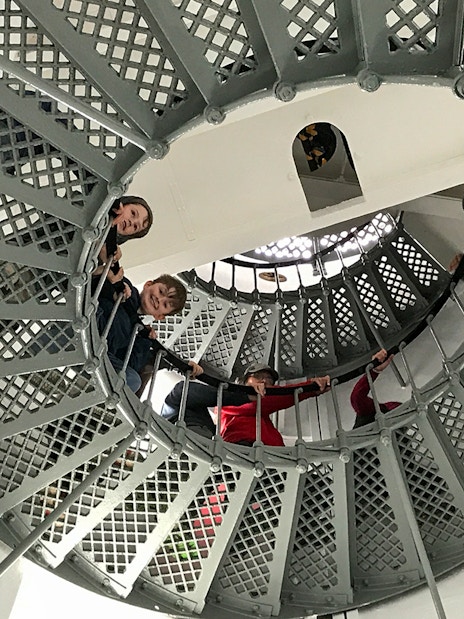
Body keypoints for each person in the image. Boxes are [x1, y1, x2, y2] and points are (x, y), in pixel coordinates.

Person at [162, 362, 331, 446]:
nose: (265, 381)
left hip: (275, 458)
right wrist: (310, 389)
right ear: (243, 382)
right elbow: (256, 403)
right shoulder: (228, 403)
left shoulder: (263, 416)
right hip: (243, 449)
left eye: (269, 380)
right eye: (258, 377)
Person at [97, 272, 201, 392]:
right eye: (161, 291)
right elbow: (98, 284)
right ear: (148, 284)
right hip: (94, 322)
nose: (159, 299)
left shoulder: (139, 332)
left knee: (133, 380)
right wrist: (115, 291)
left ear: (159, 316)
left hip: (103, 350)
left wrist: (144, 341)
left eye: (165, 304)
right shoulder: (128, 290)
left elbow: (130, 362)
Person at [350, 349, 400, 429]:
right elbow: (357, 397)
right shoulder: (367, 413)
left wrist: (375, 370)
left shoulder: (366, 414)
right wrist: (374, 371)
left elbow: (357, 397)